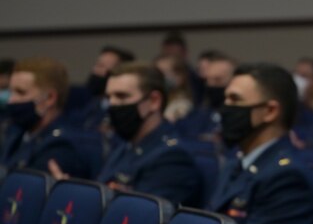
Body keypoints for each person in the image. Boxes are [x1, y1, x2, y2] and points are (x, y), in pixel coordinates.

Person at [51, 62, 202, 207]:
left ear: (154, 101)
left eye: (121, 96)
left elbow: (142, 219)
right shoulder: (125, 146)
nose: (113, 104)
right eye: (109, 97)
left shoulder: (173, 158)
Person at [206, 63, 313, 224]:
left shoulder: (287, 177)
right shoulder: (235, 163)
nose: (225, 108)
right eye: (226, 99)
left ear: (270, 111)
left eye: (235, 100)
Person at [3, 57, 89, 178]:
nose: (11, 100)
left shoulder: (61, 145)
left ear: (49, 98)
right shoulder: (16, 133)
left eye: (20, 92)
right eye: (11, 92)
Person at [73, 45, 135, 130]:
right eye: (96, 65)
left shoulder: (124, 110)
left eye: (101, 66)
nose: (95, 70)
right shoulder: (93, 103)